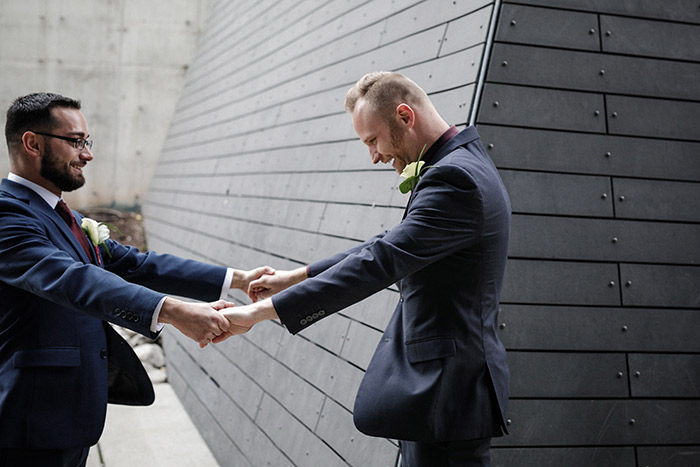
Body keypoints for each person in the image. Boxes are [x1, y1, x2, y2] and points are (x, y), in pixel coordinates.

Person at [218, 72, 512, 466]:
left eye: (373, 140)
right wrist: (296, 277)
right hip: (441, 394)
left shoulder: (456, 179)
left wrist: (257, 313)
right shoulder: (457, 166)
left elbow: (382, 261)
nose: (373, 156)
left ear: (405, 117)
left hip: (448, 394)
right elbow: (386, 244)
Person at [0, 93, 267, 467]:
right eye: (75, 141)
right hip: (29, 423)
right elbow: (71, 279)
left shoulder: (67, 218)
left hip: (72, 419)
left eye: (86, 142)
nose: (87, 154)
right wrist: (174, 312)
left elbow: (139, 265)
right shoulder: (7, 214)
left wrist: (241, 279)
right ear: (32, 143)